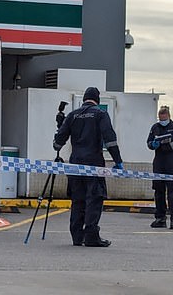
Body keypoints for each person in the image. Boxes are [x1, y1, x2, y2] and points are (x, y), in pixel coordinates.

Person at [53, 86, 124, 247]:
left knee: (77, 200)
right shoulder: (100, 114)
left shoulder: (72, 115)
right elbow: (110, 138)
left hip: (75, 164)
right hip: (94, 163)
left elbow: (57, 143)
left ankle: (77, 236)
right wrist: (117, 160)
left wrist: (58, 130)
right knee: (94, 198)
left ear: (84, 99)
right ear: (97, 100)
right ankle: (91, 235)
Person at [147, 105, 173, 230]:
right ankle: (160, 218)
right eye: (160, 118)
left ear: (168, 116)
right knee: (159, 191)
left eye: (164, 118)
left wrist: (167, 143)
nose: (162, 120)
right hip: (159, 163)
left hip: (172, 164)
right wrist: (154, 144)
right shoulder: (155, 127)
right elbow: (149, 143)